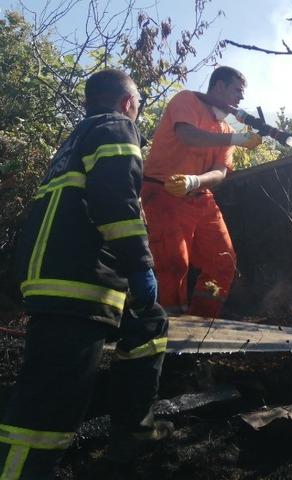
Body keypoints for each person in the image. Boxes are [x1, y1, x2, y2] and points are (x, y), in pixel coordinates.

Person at [1, 69, 170, 478]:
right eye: (139, 106)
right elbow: (117, 202)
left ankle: (134, 432)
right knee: (47, 410)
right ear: (129, 103)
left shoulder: (73, 143)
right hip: (77, 284)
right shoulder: (116, 127)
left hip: (59, 276)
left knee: (149, 323)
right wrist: (140, 266)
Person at [141, 66, 261, 318]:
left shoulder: (225, 131)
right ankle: (166, 328)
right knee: (173, 262)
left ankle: (201, 323)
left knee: (223, 262)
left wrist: (195, 181)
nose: (240, 98)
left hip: (199, 196)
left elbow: (220, 172)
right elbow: (188, 135)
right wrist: (237, 140)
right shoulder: (187, 100)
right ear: (218, 86)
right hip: (163, 192)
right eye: (237, 90)